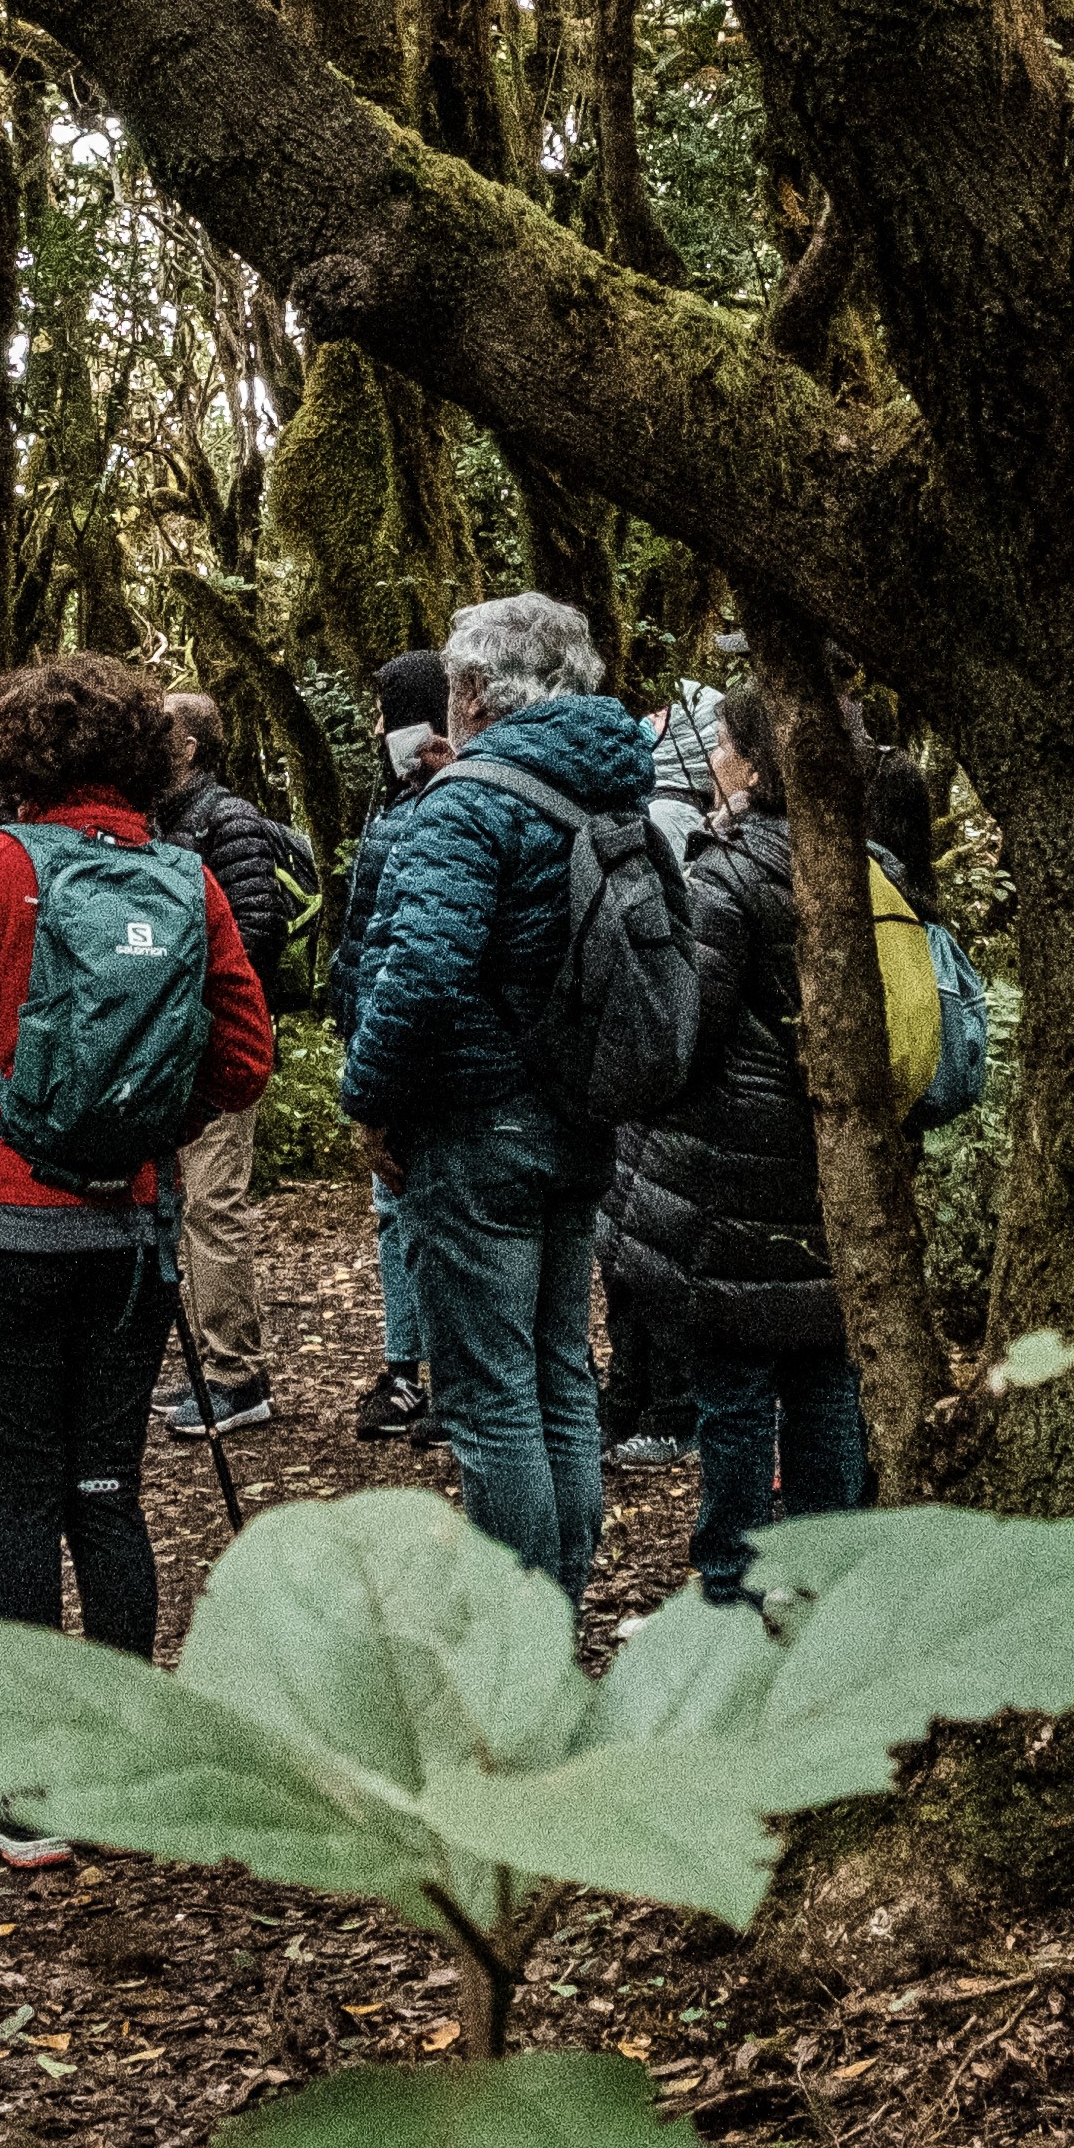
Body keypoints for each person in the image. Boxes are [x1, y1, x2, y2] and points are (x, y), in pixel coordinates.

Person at [0, 652, 275, 1856]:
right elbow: (245, 1052)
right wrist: (149, 1135)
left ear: (21, 754)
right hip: (129, 1235)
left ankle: (21, 1792)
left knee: (19, 1500)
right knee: (108, 1490)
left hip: (2, 1220)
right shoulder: (185, 872)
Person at [338, 594, 660, 1602]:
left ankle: (523, 1638)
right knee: (562, 1369)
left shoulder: (469, 801)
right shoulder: (609, 790)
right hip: (577, 1118)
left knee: (487, 1397)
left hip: (477, 1128)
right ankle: (558, 1606)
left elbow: (422, 968)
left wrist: (370, 1100)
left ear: (473, 690)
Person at [604, 689, 867, 1604]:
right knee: (825, 1374)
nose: (711, 752)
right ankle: (828, 1581)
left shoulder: (731, 872)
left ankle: (730, 1584)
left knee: (737, 1392)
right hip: (834, 1168)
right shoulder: (865, 867)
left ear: (756, 765)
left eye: (722, 741)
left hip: (731, 1175)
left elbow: (689, 1032)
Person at [148, 689, 307, 1440]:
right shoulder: (159, 821)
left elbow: (253, 935)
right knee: (176, 1204)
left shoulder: (228, 819)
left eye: (163, 728)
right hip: (166, 1045)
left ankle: (237, 1376)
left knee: (214, 1204)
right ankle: (206, 1359)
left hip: (216, 1045)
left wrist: (193, 1008)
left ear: (190, 746)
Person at [602, 690, 728, 1483]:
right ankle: (634, 1398)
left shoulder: (671, 824)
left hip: (662, 1074)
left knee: (649, 1246)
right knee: (635, 1243)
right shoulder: (675, 819)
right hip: (654, 1068)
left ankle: (667, 1406)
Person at [347, 650, 452, 1444]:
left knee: (427, 1213)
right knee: (395, 1214)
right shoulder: (395, 803)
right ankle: (406, 1364)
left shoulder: (441, 806)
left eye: (387, 712)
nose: (378, 729)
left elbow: (415, 950)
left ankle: (444, 1375)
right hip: (378, 1034)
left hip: (419, 1055)